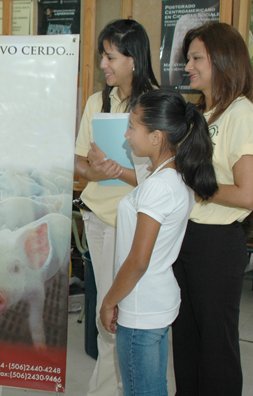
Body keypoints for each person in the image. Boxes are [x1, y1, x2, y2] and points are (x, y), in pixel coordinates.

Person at [100, 89, 218, 396]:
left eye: (132, 127)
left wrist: (110, 300)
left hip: (142, 306)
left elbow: (138, 261)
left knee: (143, 390)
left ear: (156, 137)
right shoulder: (169, 175)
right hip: (152, 301)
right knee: (152, 387)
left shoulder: (160, 187)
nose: (127, 135)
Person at [74, 19, 159, 396]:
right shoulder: (97, 101)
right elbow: (78, 163)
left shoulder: (156, 104)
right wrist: (95, 169)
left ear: (134, 60)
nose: (104, 64)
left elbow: (165, 178)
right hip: (97, 219)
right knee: (107, 315)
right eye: (103, 56)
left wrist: (118, 170)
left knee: (116, 316)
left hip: (134, 223)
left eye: (111, 57)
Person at [172, 22, 253, 396]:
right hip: (185, 236)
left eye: (196, 57)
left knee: (215, 345)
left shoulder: (241, 113)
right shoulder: (201, 113)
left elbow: (246, 194)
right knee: (185, 339)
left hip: (217, 244)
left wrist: (196, 185)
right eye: (188, 57)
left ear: (222, 59)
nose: (188, 65)